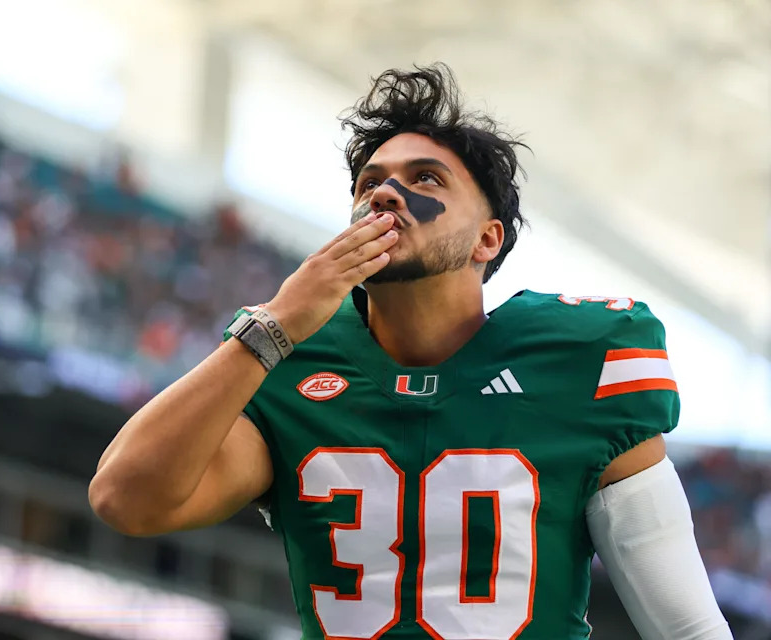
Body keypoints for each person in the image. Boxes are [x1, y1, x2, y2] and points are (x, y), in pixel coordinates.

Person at [90, 64, 732, 639]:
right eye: (371, 182)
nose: (386, 195)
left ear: (487, 239)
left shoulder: (579, 357)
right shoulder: (288, 356)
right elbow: (125, 499)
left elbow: (686, 625)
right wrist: (275, 324)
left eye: (425, 179)